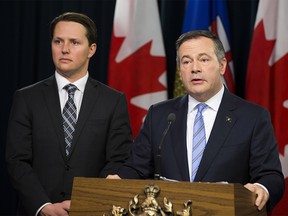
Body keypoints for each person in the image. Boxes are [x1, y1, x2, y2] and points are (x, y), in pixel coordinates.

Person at [107, 30, 285, 211]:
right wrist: (119, 180)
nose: (195, 68)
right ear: (180, 70)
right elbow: (137, 168)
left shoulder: (252, 117)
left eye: (204, 59)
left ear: (222, 65)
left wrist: (261, 188)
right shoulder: (160, 115)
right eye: (186, 61)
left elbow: (270, 176)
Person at [6, 12, 133, 216]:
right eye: (58, 41)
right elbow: (17, 161)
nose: (64, 49)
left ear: (91, 49)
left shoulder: (113, 101)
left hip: (92, 211)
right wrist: (44, 206)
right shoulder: (26, 98)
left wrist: (87, 201)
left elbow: (118, 159)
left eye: (74, 42)